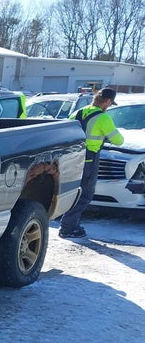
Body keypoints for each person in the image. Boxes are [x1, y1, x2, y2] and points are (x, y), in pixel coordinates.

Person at [58, 88, 124, 238]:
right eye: (110, 103)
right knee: (85, 194)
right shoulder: (103, 118)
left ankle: (68, 224)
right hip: (89, 160)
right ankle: (69, 227)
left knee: (72, 191)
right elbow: (119, 141)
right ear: (107, 101)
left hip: (72, 158)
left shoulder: (78, 112)